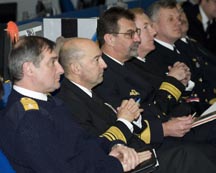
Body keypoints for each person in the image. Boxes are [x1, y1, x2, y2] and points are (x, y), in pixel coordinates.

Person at [56, 37, 216, 173]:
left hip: (143, 147)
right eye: (96, 60)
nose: (104, 65)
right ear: (76, 68)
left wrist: (133, 116)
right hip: (128, 162)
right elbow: (98, 147)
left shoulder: (88, 91)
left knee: (203, 150)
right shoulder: (70, 102)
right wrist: (125, 120)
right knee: (191, 156)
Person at [0, 35, 152, 173]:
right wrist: (116, 165)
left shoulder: (47, 102)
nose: (60, 69)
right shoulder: (29, 119)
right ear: (29, 69)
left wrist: (114, 146)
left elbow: (83, 141)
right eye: (52, 62)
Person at [145, 0, 216, 114]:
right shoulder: (153, 56)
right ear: (154, 25)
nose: (179, 22)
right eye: (171, 19)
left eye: (178, 18)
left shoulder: (181, 47)